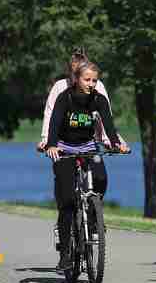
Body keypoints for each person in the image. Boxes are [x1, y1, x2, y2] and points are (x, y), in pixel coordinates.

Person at [46, 60, 131, 270]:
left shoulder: (98, 99)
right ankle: (65, 254)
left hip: (88, 147)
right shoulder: (65, 97)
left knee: (100, 177)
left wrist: (116, 143)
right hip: (64, 148)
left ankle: (93, 219)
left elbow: (108, 124)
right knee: (67, 200)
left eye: (94, 80)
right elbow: (54, 123)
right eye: (87, 80)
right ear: (76, 79)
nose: (91, 84)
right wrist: (51, 145)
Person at [38, 49, 125, 153]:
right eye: (73, 72)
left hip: (89, 139)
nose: (91, 84)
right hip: (64, 139)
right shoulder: (61, 89)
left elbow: (106, 119)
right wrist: (47, 141)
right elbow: (50, 115)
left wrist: (113, 142)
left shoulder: (97, 88)